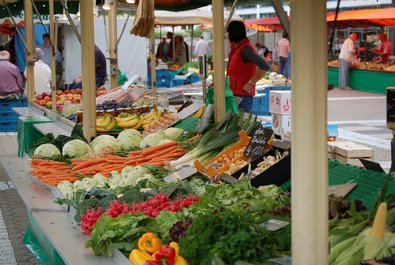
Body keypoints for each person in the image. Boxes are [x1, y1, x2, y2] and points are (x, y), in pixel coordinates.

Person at [226, 21, 271, 112]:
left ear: (232, 34)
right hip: (235, 95)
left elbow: (265, 66)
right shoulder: (236, 50)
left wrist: (250, 83)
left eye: (228, 32)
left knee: (241, 124)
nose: (227, 35)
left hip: (243, 98)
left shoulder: (245, 50)